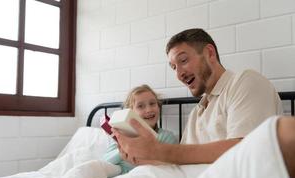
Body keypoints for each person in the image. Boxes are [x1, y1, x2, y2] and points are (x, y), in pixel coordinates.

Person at [114, 28, 282, 165]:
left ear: (209, 53)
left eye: (183, 60)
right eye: (174, 67)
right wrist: (141, 157)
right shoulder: (197, 112)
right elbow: (181, 163)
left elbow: (245, 150)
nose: (179, 74)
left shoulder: (245, 81)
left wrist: (158, 149)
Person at [49, 84, 178, 178]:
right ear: (130, 112)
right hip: (118, 177)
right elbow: (106, 161)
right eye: (141, 106)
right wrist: (122, 148)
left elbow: (170, 166)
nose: (149, 109)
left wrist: (139, 160)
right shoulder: (124, 136)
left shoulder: (166, 137)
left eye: (152, 103)